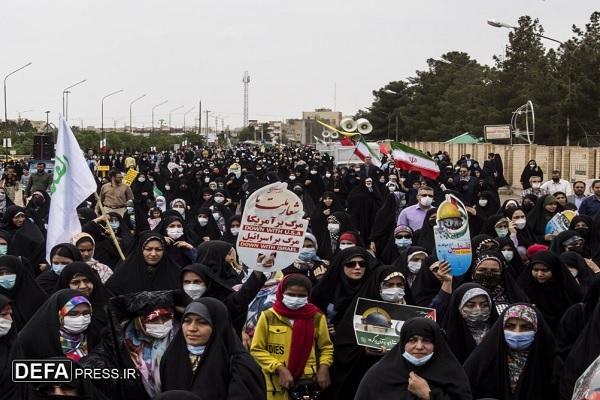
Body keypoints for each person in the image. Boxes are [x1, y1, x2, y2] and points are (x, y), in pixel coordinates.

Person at [81, 290, 188, 399]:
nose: (161, 324)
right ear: (138, 322)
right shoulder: (119, 348)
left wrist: (188, 310)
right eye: (153, 320)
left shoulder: (183, 339)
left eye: (166, 318)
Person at [160, 299, 266, 399]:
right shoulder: (172, 358)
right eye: (187, 321)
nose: (192, 328)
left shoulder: (239, 364)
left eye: (202, 322)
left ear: (218, 326)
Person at [251, 274, 333, 400]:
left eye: (301, 296)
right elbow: (257, 349)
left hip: (306, 384)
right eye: (291, 294)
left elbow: (326, 347)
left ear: (308, 295)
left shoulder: (316, 317)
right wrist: (279, 368)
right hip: (276, 384)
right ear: (281, 293)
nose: (296, 299)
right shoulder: (268, 316)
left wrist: (324, 368)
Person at [354, 317, 473, 400]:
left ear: (436, 344)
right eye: (412, 340)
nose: (419, 346)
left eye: (427, 341)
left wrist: (429, 395)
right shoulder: (379, 373)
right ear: (402, 343)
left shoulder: (452, 374)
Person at [464, 304, 559, 400]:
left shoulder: (551, 364)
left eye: (526, 327)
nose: (517, 332)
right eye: (510, 326)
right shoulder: (482, 361)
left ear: (537, 330)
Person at [517, 250, 583, 333]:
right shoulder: (523, 287)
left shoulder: (567, 289)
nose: (540, 274)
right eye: (535, 270)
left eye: (545, 270)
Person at [18, 289, 93, 361]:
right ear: (59, 314)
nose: (81, 318)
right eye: (73, 314)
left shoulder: (94, 334)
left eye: (86, 313)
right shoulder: (31, 340)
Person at [54, 261, 113, 350]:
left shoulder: (109, 305)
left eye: (87, 280)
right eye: (76, 282)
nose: (82, 286)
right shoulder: (56, 308)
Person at [105, 231, 182, 295]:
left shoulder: (176, 273)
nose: (153, 254)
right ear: (141, 250)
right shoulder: (123, 273)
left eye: (158, 249)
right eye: (148, 249)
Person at [440, 283, 497, 364]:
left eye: (484, 305)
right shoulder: (445, 335)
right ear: (459, 307)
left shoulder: (498, 332)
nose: (478, 309)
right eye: (470, 305)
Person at [0, 255, 47, 331]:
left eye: (9, 272)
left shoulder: (38, 296)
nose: (5, 277)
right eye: (1, 274)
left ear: (19, 272)